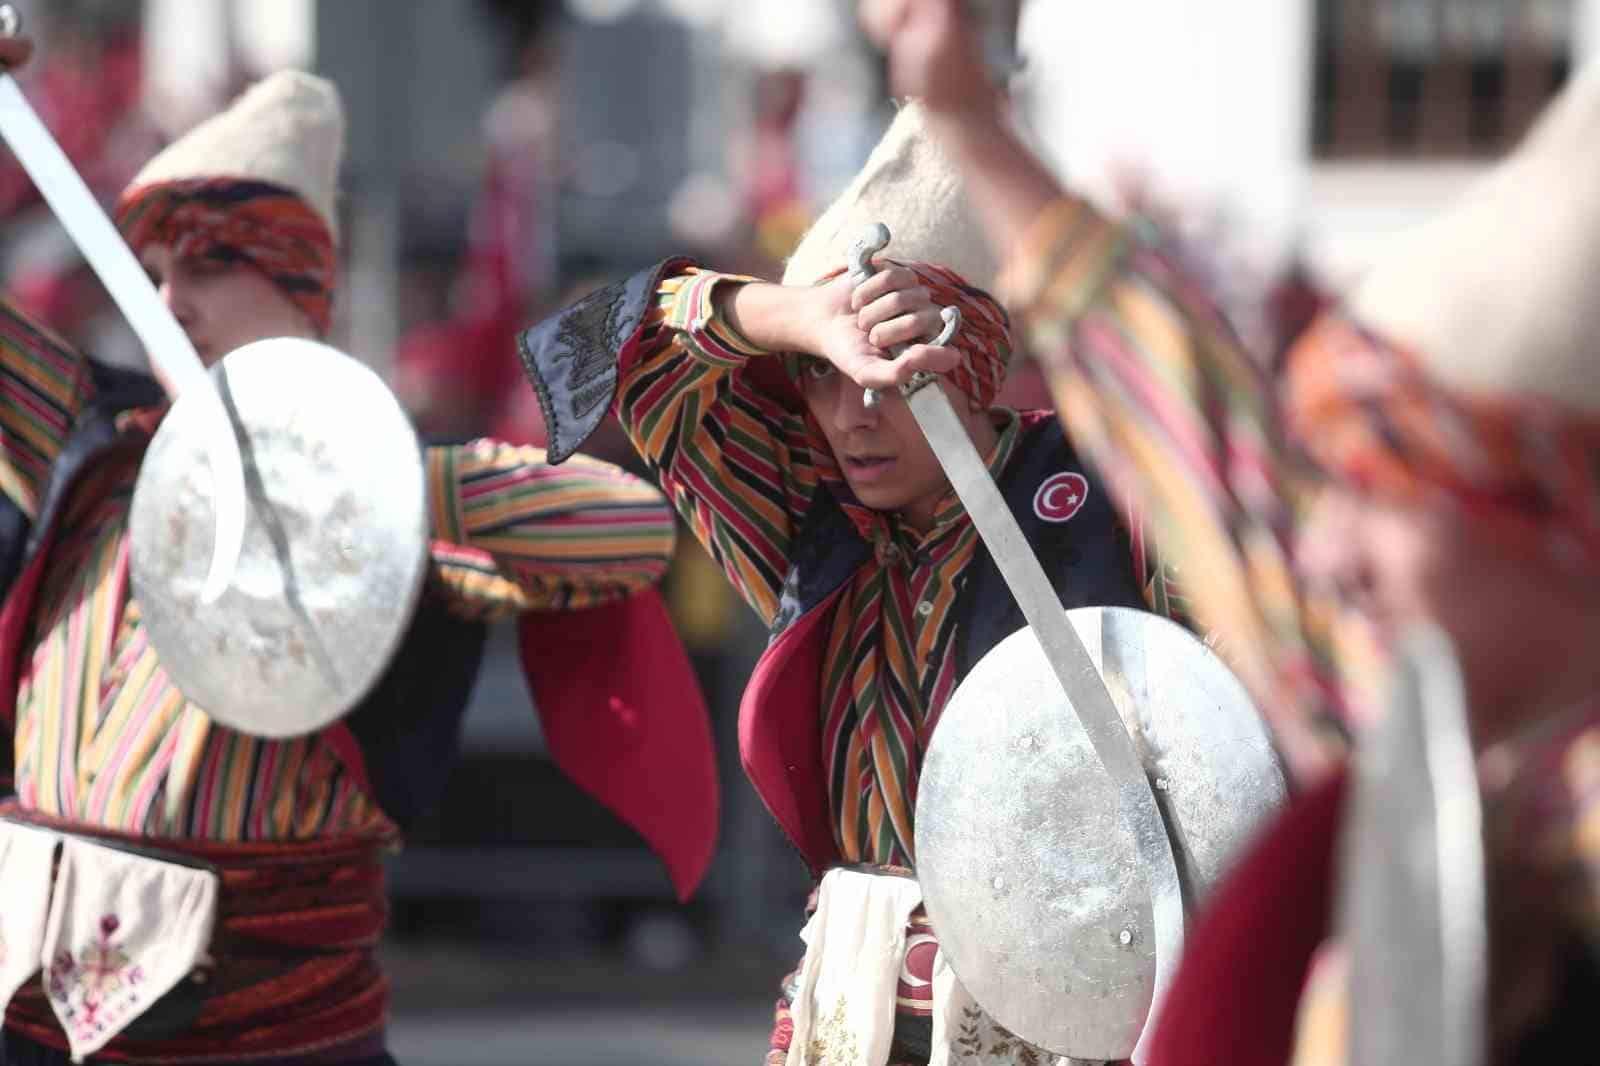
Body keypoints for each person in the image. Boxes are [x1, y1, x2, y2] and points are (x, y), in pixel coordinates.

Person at [860, 0, 1600, 1061]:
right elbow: (1214, 463)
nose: (1331, 549)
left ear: (1561, 524)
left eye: (1390, 490)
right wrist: (968, 120)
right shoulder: (1425, 727)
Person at [0, 42, 716, 1066]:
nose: (168, 299)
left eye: (209, 264)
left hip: (274, 1032)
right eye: (156, 271)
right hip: (34, 1012)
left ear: (300, 287)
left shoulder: (385, 495)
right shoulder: (98, 437)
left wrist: (356, 479)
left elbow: (627, 532)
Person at [516, 96, 1184, 1065]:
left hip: (1063, 1009)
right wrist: (800, 317)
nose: (850, 414)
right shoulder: (805, 513)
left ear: (971, 361)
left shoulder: (1108, 497)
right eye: (824, 377)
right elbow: (599, 351)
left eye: (891, 374)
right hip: (851, 1010)